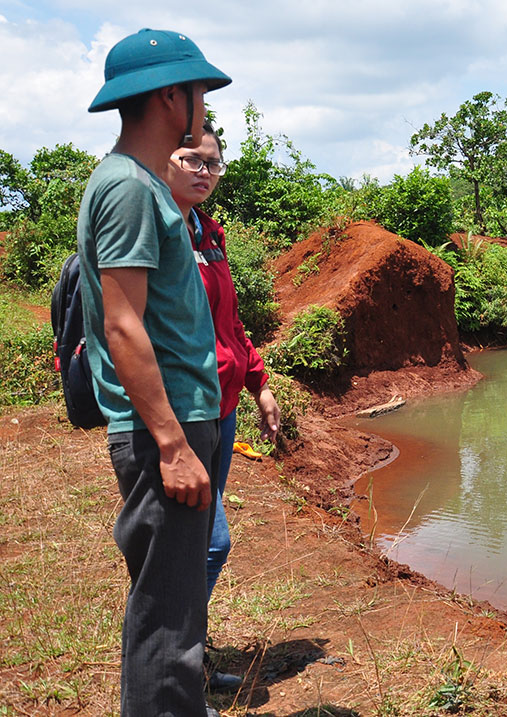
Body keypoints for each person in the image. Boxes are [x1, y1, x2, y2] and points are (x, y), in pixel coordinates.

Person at [76, 28, 230, 716]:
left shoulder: (137, 185)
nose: (203, 105)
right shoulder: (131, 189)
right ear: (173, 97)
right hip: (159, 426)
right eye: (198, 92)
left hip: (171, 417)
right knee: (167, 623)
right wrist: (170, 442)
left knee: (171, 611)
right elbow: (123, 322)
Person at [166, 120, 281, 690]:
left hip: (223, 406)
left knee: (199, 545)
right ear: (163, 158)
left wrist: (259, 383)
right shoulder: (159, 231)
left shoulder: (208, 233)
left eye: (213, 162)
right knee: (205, 543)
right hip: (184, 412)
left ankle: (188, 657)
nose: (205, 172)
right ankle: (170, 661)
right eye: (193, 159)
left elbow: (229, 323)